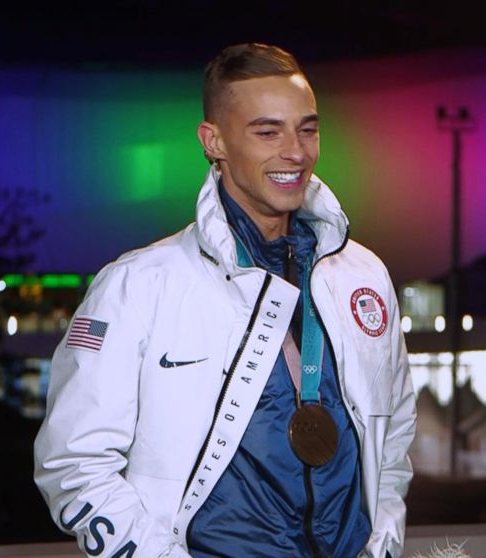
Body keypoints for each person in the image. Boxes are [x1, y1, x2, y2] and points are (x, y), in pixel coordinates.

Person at [34, 43, 416, 558]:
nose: (296, 152)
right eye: (267, 132)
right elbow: (73, 464)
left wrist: (383, 543)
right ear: (214, 141)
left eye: (307, 128)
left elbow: (393, 439)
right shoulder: (137, 284)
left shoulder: (363, 275)